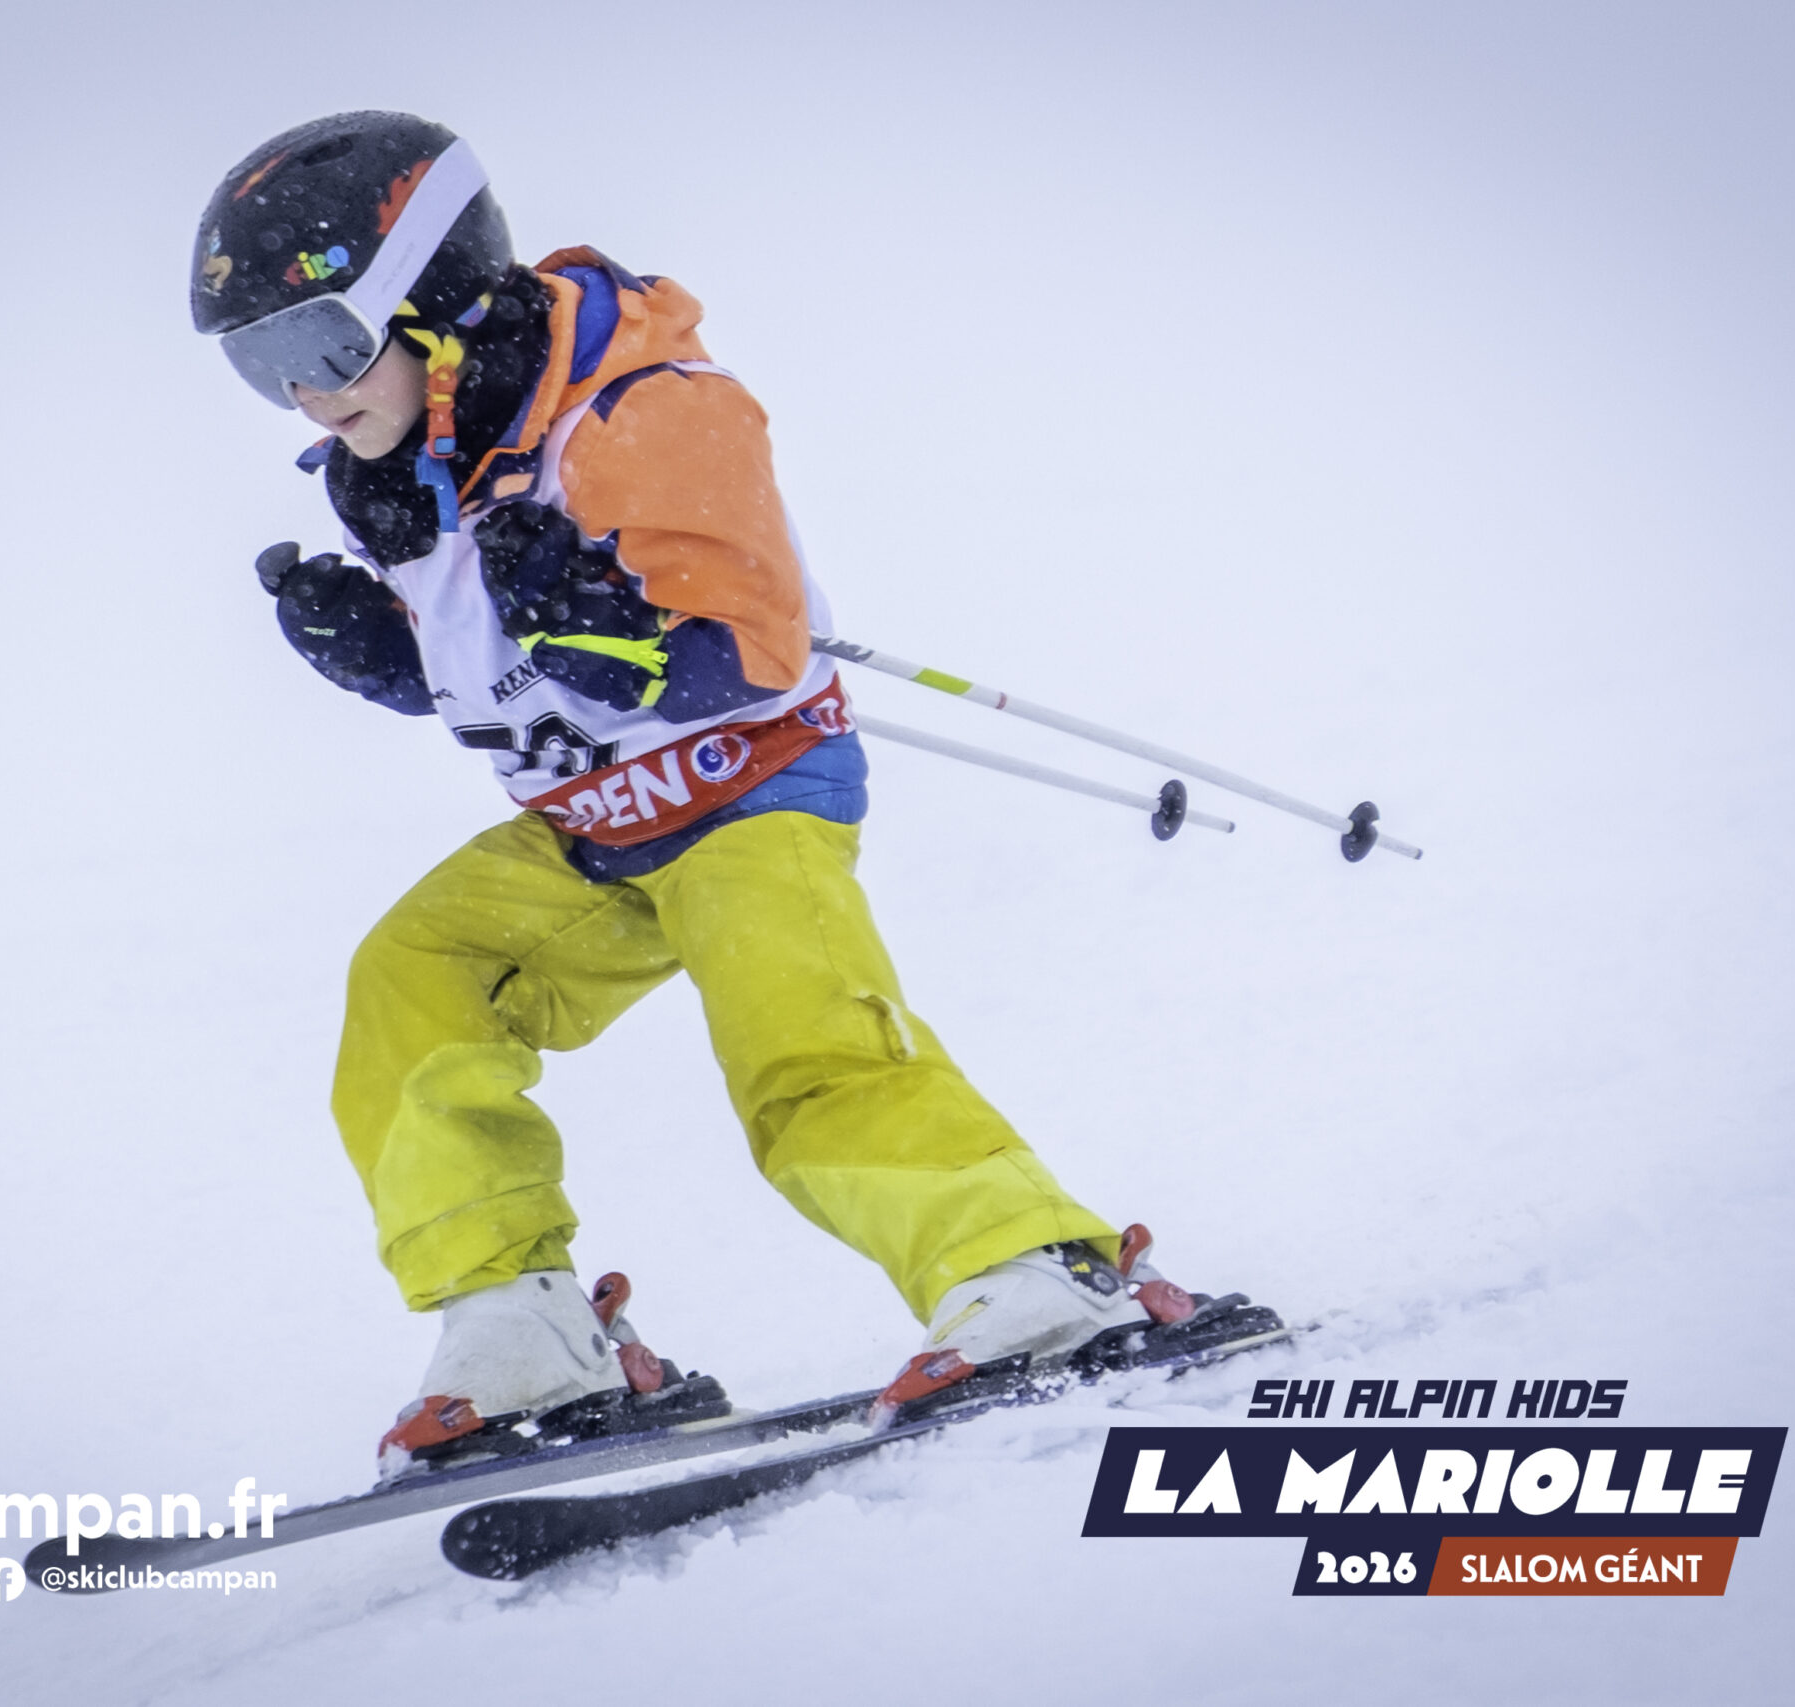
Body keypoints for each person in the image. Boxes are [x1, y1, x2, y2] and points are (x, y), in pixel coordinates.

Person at [191, 111, 1203, 1475]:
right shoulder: (395, 471)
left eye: (321, 346)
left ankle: (1027, 1268)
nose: (306, 398)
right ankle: (520, 1329)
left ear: (436, 299)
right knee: (414, 983)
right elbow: (491, 668)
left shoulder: (646, 407)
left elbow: (750, 648)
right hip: (592, 829)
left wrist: (611, 621)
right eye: (261, 367)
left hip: (747, 788)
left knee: (802, 1045)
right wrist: (387, 656)